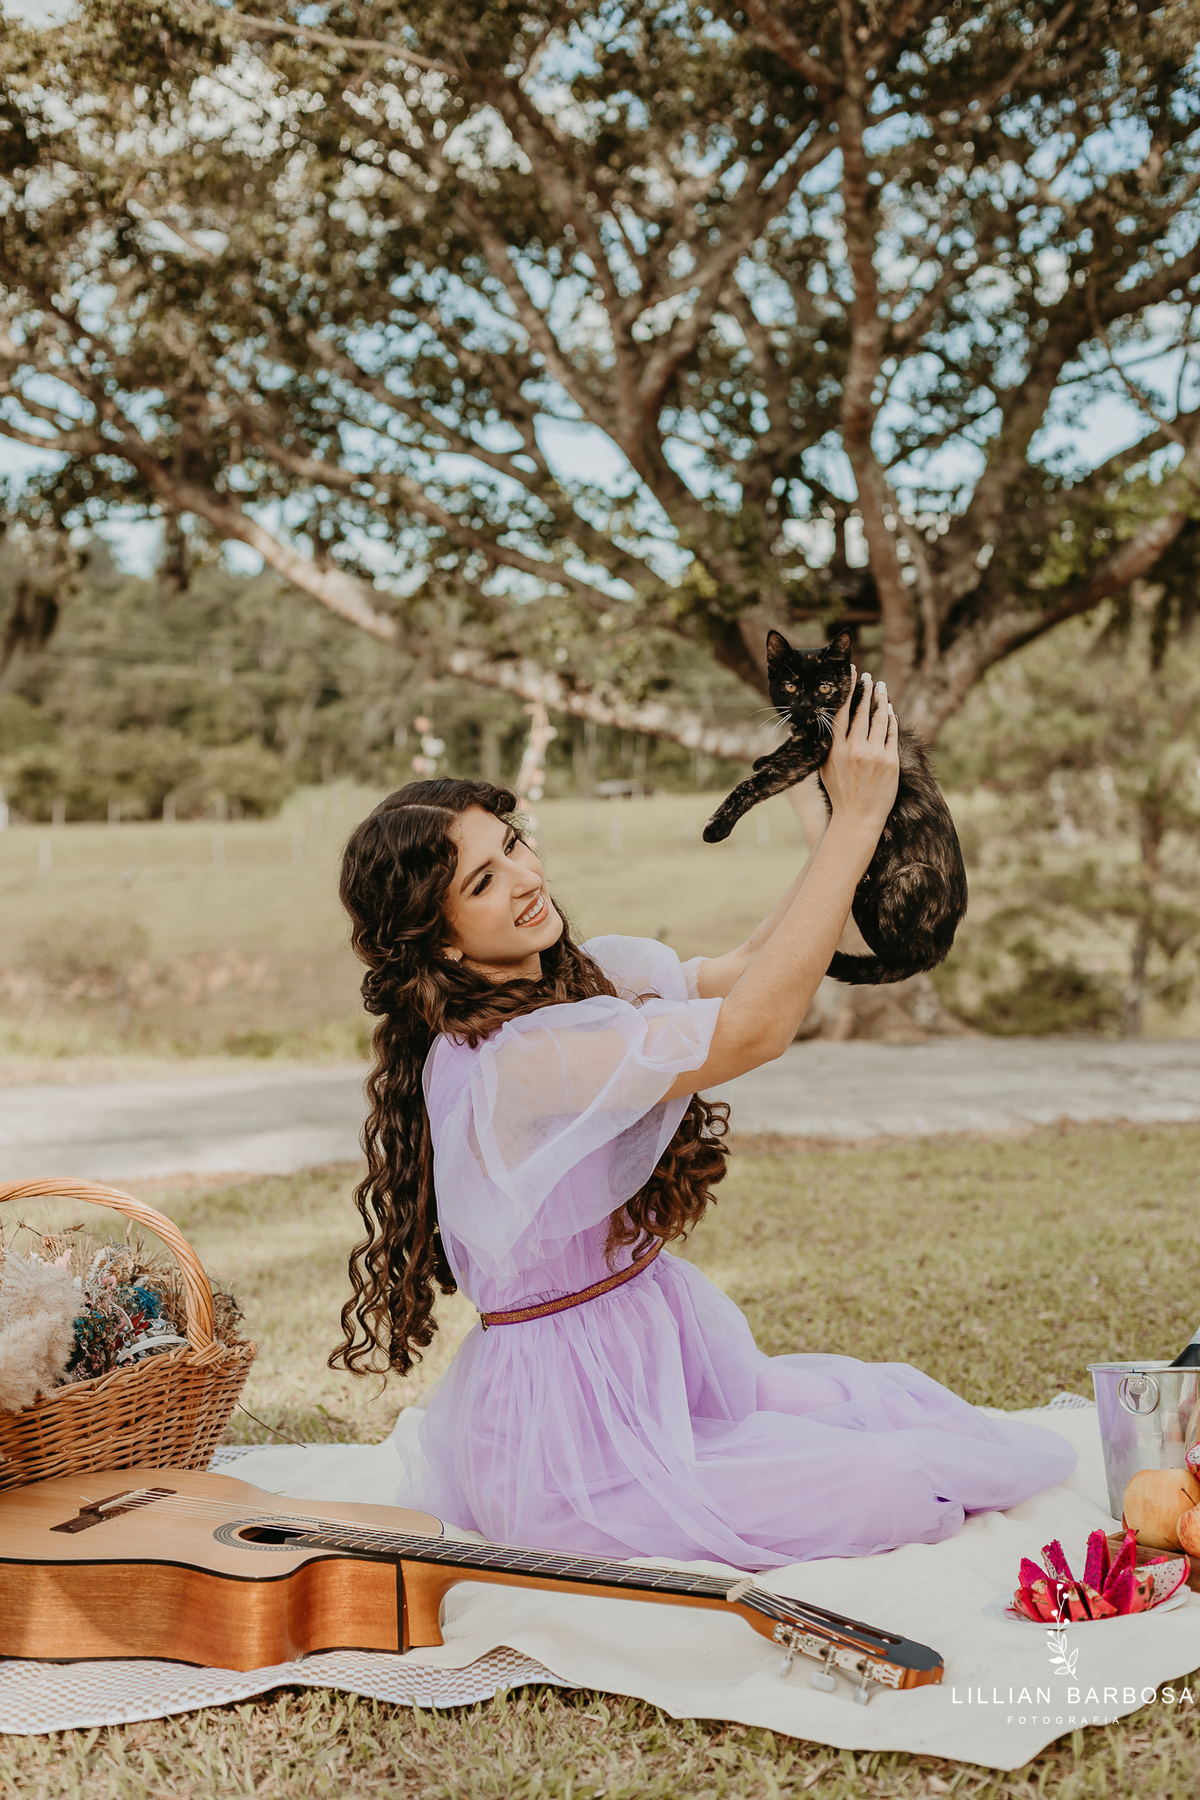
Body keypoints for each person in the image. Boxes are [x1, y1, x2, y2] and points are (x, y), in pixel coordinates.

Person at [333, 673, 1075, 1569]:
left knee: (901, 1406)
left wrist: (837, 807)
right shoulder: (518, 1060)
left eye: (515, 845)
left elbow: (752, 965)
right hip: (573, 1439)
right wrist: (854, 823)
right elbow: (754, 1028)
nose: (528, 877)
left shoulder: (574, 981)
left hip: (653, 1360)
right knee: (893, 1481)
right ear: (443, 937)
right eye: (485, 880)